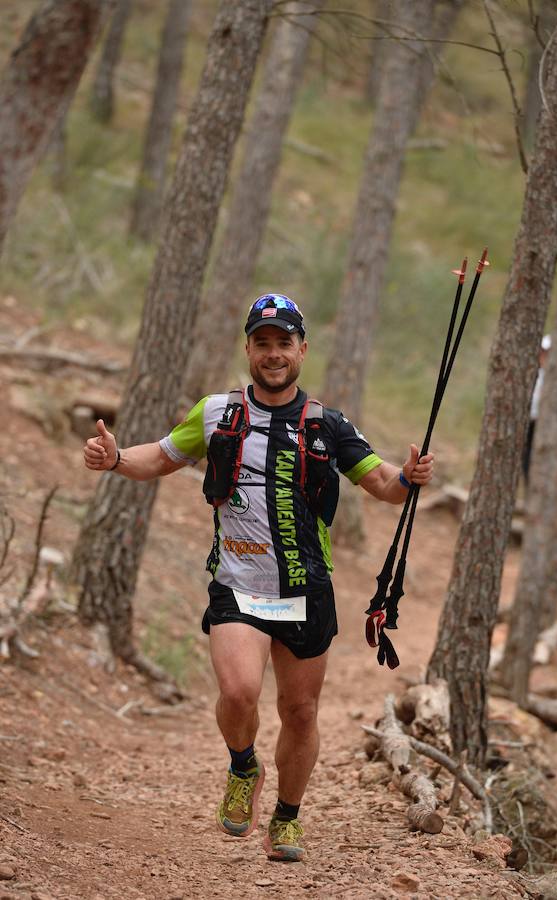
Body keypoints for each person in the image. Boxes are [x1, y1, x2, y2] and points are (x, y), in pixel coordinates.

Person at [83, 293, 434, 863]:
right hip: (237, 584)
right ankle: (244, 766)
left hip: (305, 588)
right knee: (239, 691)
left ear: (302, 350)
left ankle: (288, 818)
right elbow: (162, 457)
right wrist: (117, 457)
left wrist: (412, 477)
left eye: (284, 343)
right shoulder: (217, 412)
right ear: (249, 348)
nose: (274, 354)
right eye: (263, 343)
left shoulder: (328, 425)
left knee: (300, 713)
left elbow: (386, 485)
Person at [523, 333, 551, 482]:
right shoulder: (536, 373)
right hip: (530, 421)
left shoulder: (556, 378)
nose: (544, 355)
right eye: (543, 351)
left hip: (544, 424)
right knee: (526, 457)